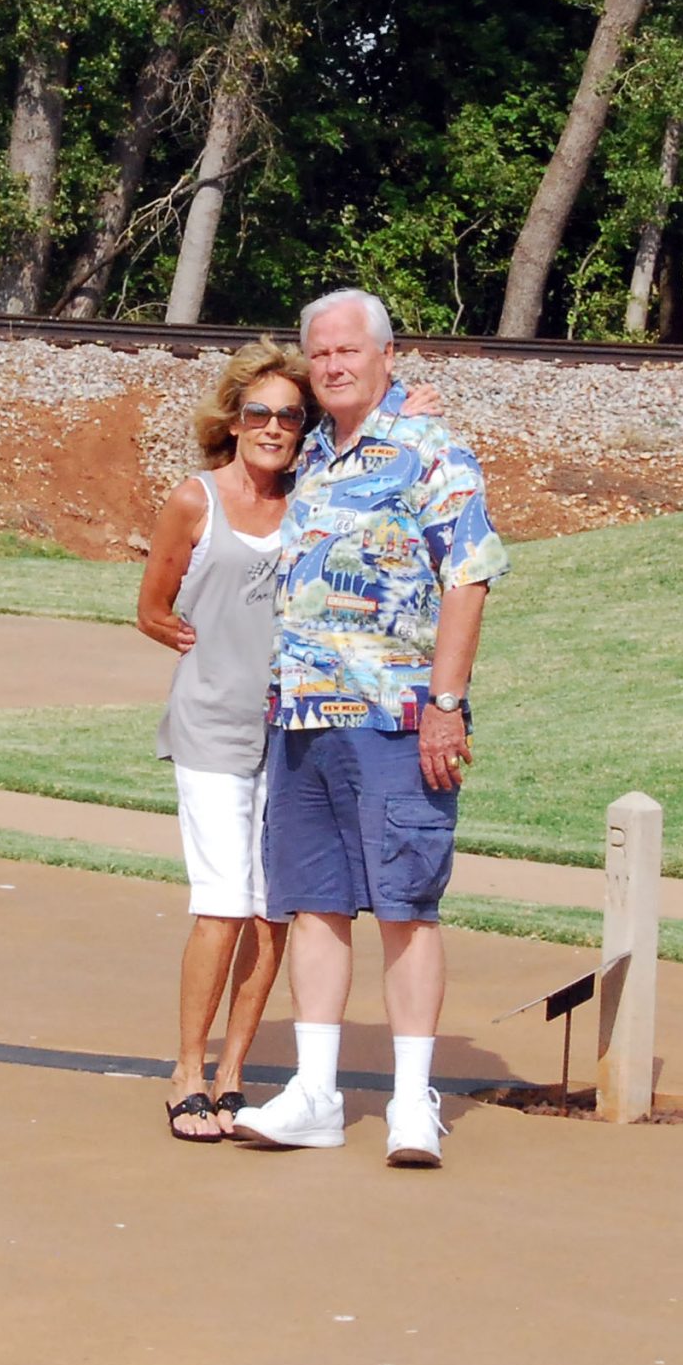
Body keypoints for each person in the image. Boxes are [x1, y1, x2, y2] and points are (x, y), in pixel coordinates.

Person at [135, 341, 444, 1144]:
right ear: (233, 420)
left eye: (289, 415)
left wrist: (406, 407)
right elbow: (152, 605)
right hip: (211, 729)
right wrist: (185, 641)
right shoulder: (193, 500)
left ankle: (236, 1075)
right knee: (223, 903)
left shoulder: (314, 489)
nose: (274, 427)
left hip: (295, 727)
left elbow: (372, 444)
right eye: (259, 412)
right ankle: (187, 1073)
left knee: (277, 909)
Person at [229, 288, 507, 1167]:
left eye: (350, 350)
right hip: (304, 714)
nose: (334, 365)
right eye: (321, 355)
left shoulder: (432, 450)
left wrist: (446, 704)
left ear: (390, 357)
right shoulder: (309, 454)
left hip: (397, 717)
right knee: (313, 903)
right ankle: (315, 1093)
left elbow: (468, 577)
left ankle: (411, 1100)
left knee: (405, 905)